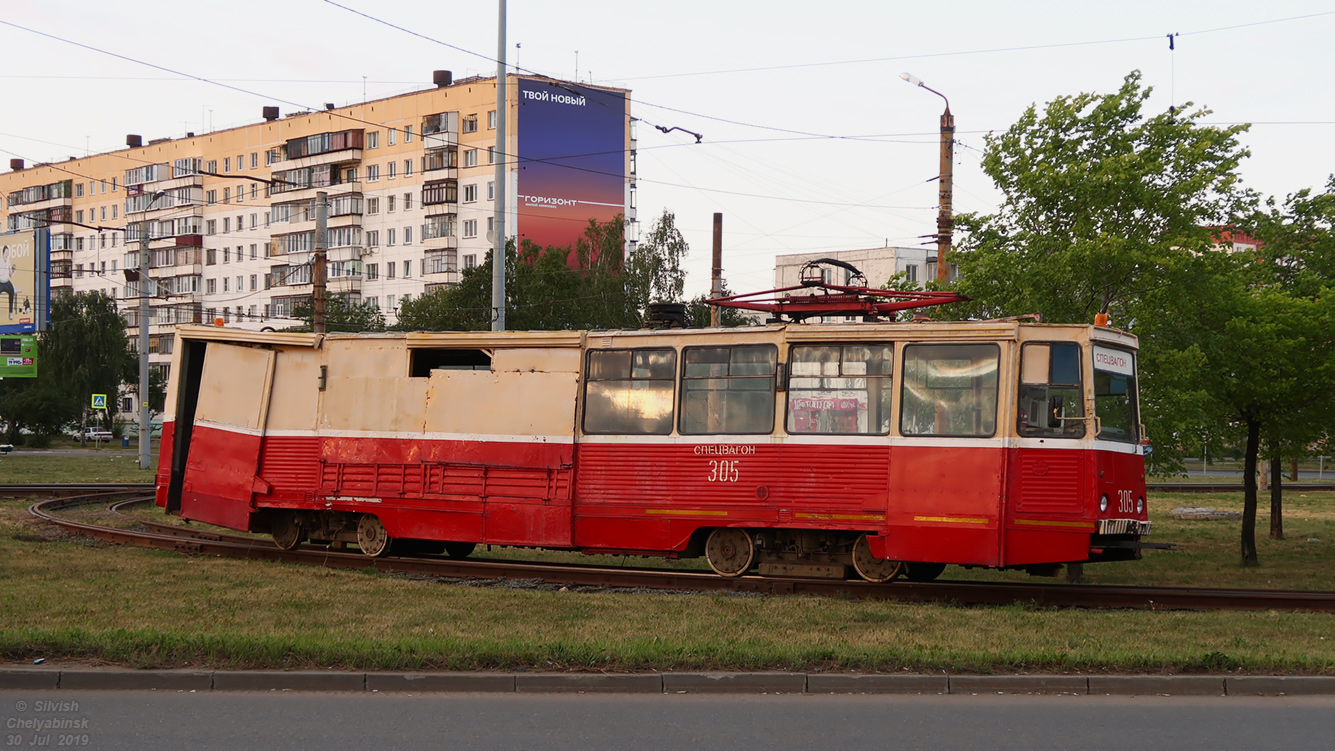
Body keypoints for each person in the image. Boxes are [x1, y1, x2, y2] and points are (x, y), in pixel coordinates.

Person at [0, 245, 17, 321]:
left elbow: (11, 275)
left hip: (7, 282)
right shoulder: (0, 262)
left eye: (8, 253)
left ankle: (10, 312)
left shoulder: (8, 261)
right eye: (6, 253)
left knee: (12, 291)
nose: (7, 254)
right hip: (0, 282)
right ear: (3, 253)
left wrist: (13, 270)